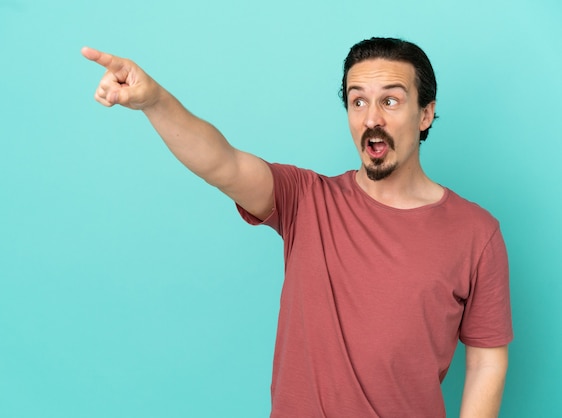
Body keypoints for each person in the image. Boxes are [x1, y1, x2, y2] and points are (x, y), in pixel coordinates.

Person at [82, 37, 512, 417]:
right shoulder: (306, 199)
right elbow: (221, 162)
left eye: (391, 100)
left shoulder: (476, 232)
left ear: (425, 114)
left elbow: (486, 360)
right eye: (358, 100)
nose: (371, 118)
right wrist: (155, 101)